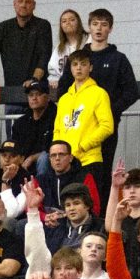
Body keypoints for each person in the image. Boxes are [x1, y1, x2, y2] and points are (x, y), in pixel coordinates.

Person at [55, 8, 138, 200]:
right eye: (95, 24)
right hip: (75, 128)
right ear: (89, 27)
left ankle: (101, 218)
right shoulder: (78, 57)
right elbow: (62, 90)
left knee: (102, 171)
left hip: (104, 127)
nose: (99, 29)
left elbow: (132, 92)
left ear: (110, 28)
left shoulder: (118, 59)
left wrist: (110, 110)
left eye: (104, 24)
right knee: (69, 173)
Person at [0, 0, 52, 101]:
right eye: (20, 1)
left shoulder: (43, 26)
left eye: (28, 2)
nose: (23, 5)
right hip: (12, 95)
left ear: (34, 5)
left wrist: (34, 80)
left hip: (37, 94)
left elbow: (44, 58)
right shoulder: (4, 27)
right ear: (14, 4)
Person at [53, 49, 113, 188]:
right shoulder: (64, 99)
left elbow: (107, 126)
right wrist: (58, 153)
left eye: (83, 64)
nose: (78, 68)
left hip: (89, 160)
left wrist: (82, 146)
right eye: (74, 64)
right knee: (67, 205)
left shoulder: (99, 93)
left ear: (90, 67)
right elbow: (57, 130)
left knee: (89, 206)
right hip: (66, 163)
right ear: (70, 68)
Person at [48, 9, 88, 90]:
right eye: (64, 21)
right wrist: (54, 80)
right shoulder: (59, 48)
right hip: (66, 88)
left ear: (78, 23)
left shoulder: (88, 40)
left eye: (72, 20)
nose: (68, 23)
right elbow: (53, 71)